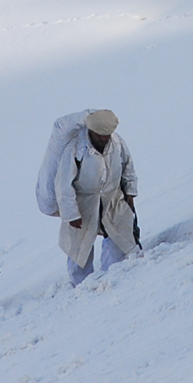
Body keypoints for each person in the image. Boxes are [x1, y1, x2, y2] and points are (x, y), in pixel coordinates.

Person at [54, 109, 139, 285]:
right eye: (99, 135)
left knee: (119, 235)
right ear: (91, 132)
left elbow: (128, 166)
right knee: (79, 247)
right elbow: (63, 184)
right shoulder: (75, 148)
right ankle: (81, 284)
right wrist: (71, 214)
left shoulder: (117, 143)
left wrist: (130, 191)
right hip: (83, 203)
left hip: (112, 198)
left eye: (106, 135)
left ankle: (114, 275)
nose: (103, 139)